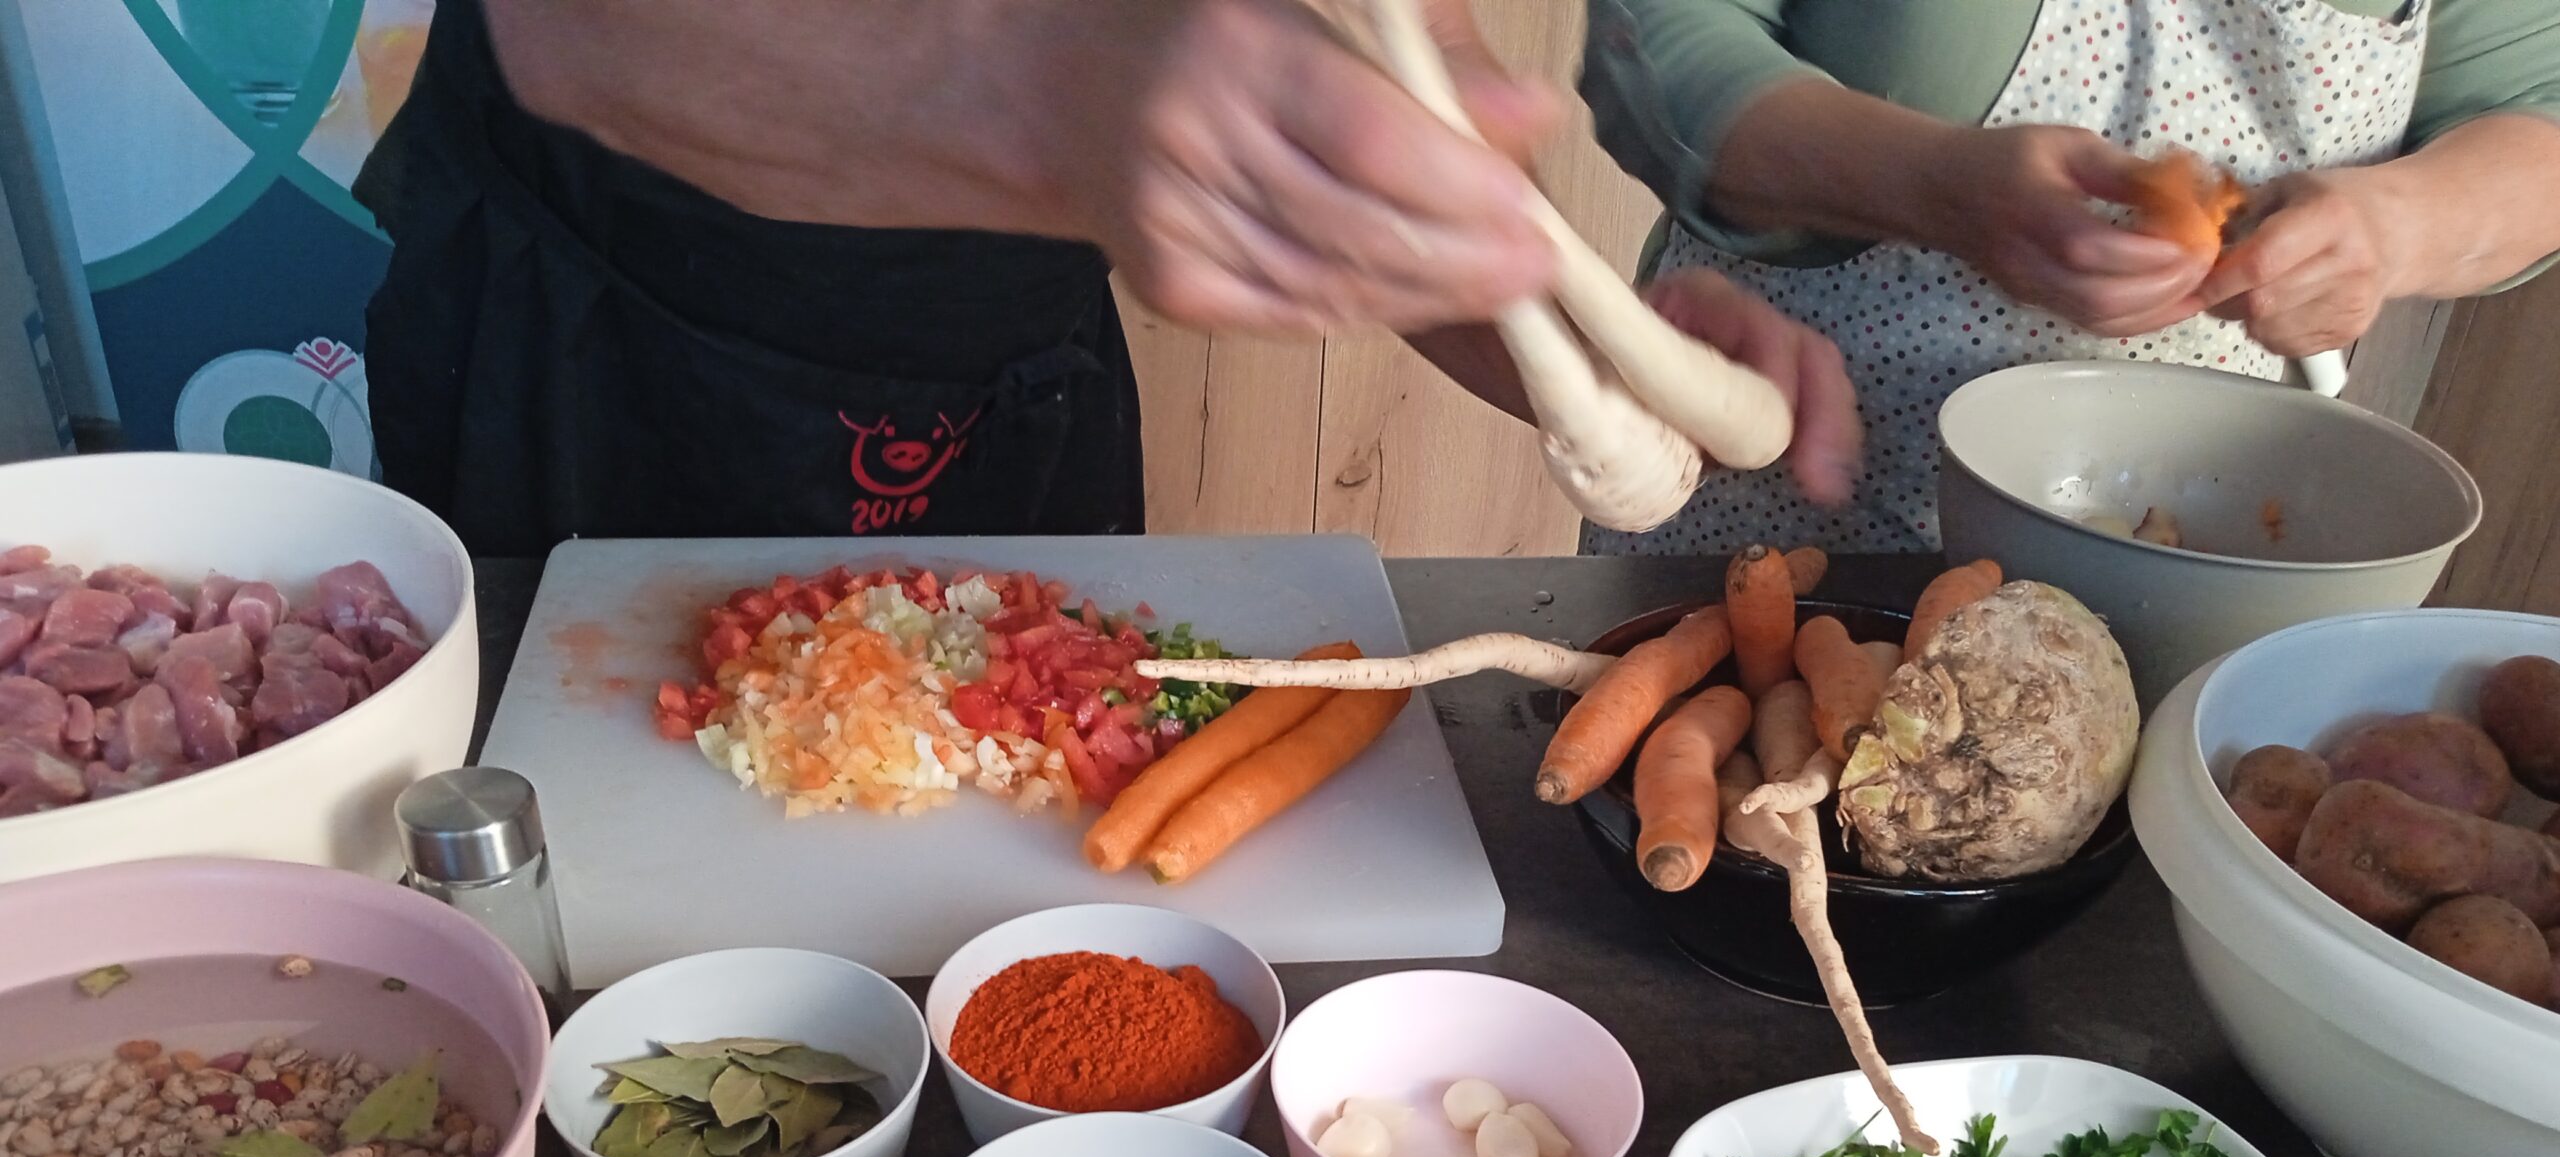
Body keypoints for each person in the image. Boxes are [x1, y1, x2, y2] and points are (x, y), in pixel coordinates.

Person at [362, 0, 1852, 557]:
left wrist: (1579, 346)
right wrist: (1046, 89)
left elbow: (1417, 85)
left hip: (1012, 366)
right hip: (611, 324)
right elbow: (575, 30)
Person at [1564, 0, 2560, 553]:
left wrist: (2394, 225)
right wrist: (1929, 185)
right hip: (1771, 513)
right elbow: (1657, 37)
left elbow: (2538, 114)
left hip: (2174, 550)